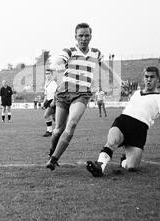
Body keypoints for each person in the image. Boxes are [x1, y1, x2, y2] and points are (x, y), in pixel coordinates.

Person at [45, 22, 121, 170]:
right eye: (81, 35)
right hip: (63, 93)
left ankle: (53, 160)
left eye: (86, 35)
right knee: (58, 129)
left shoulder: (96, 53)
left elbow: (107, 68)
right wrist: (57, 66)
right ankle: (51, 153)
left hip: (82, 94)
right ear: (75, 36)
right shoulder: (70, 51)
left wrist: (118, 80)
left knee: (72, 124)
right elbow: (57, 61)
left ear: (91, 36)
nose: (84, 38)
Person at [86, 67, 160, 177]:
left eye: (152, 77)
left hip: (140, 130)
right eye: (146, 77)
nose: (149, 79)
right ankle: (100, 166)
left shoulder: (159, 97)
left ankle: (124, 160)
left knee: (132, 167)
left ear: (158, 79)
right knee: (112, 141)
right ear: (143, 78)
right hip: (124, 121)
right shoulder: (136, 93)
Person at [42, 69, 58, 137]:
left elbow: (55, 93)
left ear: (51, 74)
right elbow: (46, 94)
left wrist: (53, 101)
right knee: (54, 117)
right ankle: (60, 130)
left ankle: (49, 131)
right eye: (46, 73)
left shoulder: (53, 83)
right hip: (48, 100)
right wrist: (43, 102)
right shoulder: (46, 82)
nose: (47, 75)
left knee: (46, 115)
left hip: (53, 100)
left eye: (48, 73)